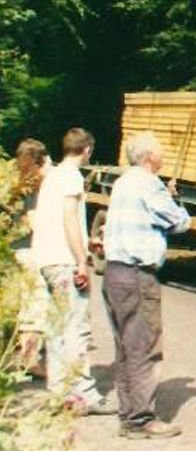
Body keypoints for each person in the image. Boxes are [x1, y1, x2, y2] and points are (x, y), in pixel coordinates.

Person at [103, 131, 190, 440]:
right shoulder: (150, 184)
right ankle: (141, 420)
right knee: (144, 346)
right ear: (150, 157)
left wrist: (164, 194)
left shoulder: (124, 181)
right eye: (161, 152)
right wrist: (176, 201)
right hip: (138, 275)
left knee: (126, 347)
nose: (163, 157)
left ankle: (129, 414)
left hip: (114, 273)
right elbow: (178, 222)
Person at [31, 127, 115, 414]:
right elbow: (68, 220)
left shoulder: (52, 176)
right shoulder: (71, 177)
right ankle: (85, 395)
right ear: (87, 150)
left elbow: (54, 221)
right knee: (77, 328)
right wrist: (82, 259)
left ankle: (58, 393)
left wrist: (85, 240)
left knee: (56, 329)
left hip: (46, 260)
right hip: (65, 262)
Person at [12, 138, 52, 380]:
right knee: (35, 306)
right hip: (31, 250)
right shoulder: (36, 186)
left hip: (15, 249)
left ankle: (21, 355)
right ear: (39, 159)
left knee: (23, 306)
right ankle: (30, 360)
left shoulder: (16, 182)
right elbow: (34, 220)